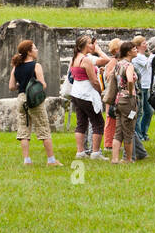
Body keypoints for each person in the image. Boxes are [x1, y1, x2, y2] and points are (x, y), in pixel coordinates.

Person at [9, 39, 61, 167]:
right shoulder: (36, 66)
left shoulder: (16, 66)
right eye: (35, 48)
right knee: (43, 128)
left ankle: (27, 160)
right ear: (29, 52)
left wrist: (21, 86)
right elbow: (42, 84)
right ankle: (51, 160)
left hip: (21, 99)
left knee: (24, 130)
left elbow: (11, 86)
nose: (37, 50)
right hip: (34, 100)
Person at [69, 34, 109, 160]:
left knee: (81, 122)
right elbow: (94, 80)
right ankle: (95, 152)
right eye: (90, 43)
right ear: (85, 45)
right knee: (98, 122)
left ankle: (80, 151)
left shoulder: (75, 58)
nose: (92, 45)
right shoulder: (85, 60)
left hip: (76, 92)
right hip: (87, 93)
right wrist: (99, 91)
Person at [111, 40, 139, 164]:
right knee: (129, 130)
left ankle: (114, 159)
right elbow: (130, 80)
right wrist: (130, 91)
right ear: (128, 52)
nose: (136, 50)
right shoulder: (129, 65)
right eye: (134, 49)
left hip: (118, 100)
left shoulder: (118, 64)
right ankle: (128, 159)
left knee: (118, 131)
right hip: (128, 101)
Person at [131, 35, 155, 142]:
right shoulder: (138, 57)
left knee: (148, 111)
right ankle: (138, 135)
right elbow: (149, 64)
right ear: (138, 45)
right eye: (144, 43)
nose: (146, 45)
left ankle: (143, 133)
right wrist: (153, 54)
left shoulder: (144, 56)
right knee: (139, 112)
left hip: (147, 86)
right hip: (141, 87)